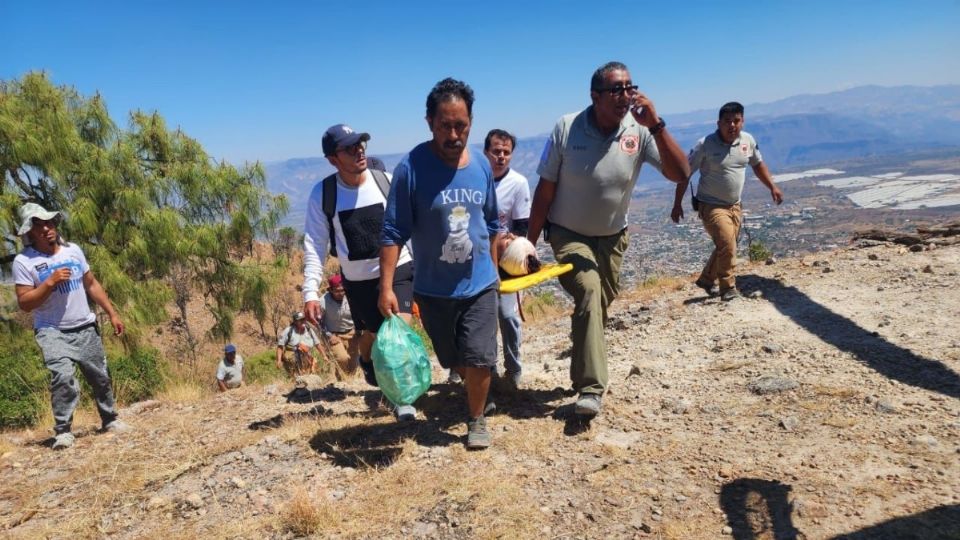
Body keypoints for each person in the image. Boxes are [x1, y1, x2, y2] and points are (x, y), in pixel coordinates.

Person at [526, 61, 690, 419]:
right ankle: (590, 388)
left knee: (598, 304)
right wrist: (530, 245)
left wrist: (657, 126)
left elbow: (680, 173)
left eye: (630, 87)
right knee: (588, 289)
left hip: (613, 238)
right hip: (568, 234)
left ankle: (583, 356)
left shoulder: (639, 130)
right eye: (616, 89)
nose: (626, 96)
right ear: (595, 96)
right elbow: (545, 189)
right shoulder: (567, 128)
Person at [379, 78, 501, 449]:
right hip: (432, 289)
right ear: (429, 122)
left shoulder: (480, 165)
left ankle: (476, 418)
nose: (453, 134)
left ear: (471, 122)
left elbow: (493, 222)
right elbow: (392, 231)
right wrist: (386, 287)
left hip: (480, 283)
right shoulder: (411, 169)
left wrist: (492, 269)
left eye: (461, 125)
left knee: (479, 356)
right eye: (445, 125)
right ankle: (471, 385)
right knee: (453, 357)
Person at [302, 123, 417, 420]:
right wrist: (310, 292)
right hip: (359, 282)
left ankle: (400, 400)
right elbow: (314, 245)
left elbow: (411, 228)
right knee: (374, 335)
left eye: (361, 144)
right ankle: (367, 361)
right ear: (333, 159)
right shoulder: (323, 195)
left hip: (399, 269)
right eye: (349, 148)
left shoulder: (387, 182)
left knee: (398, 334)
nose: (359, 150)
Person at [12, 202, 129, 449]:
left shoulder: (73, 251)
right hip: (51, 330)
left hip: (84, 326)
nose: (46, 228)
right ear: (29, 232)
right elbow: (24, 303)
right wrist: (49, 283)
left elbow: (91, 283)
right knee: (62, 377)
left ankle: (109, 419)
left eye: (49, 222)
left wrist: (112, 313)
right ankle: (64, 431)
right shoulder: (24, 262)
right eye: (39, 225)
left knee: (100, 377)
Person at [672, 101, 784, 301]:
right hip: (710, 205)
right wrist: (677, 203)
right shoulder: (705, 144)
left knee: (727, 244)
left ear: (742, 121)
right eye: (727, 121)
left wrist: (772, 187)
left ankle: (706, 280)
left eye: (736, 121)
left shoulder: (747, 141)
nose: (732, 125)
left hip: (735, 205)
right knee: (727, 243)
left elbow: (758, 165)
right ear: (718, 123)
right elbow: (685, 174)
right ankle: (727, 288)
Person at [485, 128, 530, 390]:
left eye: (506, 152)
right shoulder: (476, 179)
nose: (501, 157)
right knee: (482, 319)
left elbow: (521, 226)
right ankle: (485, 371)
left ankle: (513, 370)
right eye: (496, 151)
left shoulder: (518, 183)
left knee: (507, 316)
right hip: (476, 259)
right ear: (486, 152)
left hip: (505, 261)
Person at [319, 274, 361, 377]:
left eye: (343, 290)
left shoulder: (352, 297)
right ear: (331, 290)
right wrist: (329, 335)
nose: (341, 293)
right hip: (334, 335)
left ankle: (347, 384)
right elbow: (319, 322)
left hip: (351, 333)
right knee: (342, 358)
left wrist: (359, 329)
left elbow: (360, 314)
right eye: (337, 291)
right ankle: (341, 381)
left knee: (353, 365)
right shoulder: (323, 301)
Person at [275, 311, 321, 378]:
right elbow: (280, 346)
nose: (303, 321)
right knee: (296, 376)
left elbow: (317, 343)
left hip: (307, 355)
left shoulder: (309, 330)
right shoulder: (288, 331)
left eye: (304, 319)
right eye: (300, 320)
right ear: (295, 322)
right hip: (292, 356)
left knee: (313, 364)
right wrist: (279, 360)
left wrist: (324, 356)